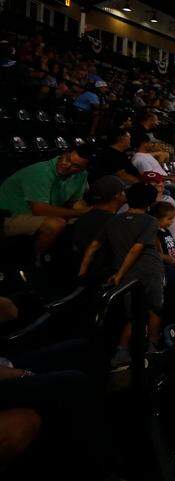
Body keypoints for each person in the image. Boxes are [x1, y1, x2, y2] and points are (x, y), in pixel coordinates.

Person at [78, 183, 166, 368]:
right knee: (154, 308)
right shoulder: (150, 221)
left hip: (125, 274)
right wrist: (120, 274)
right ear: (149, 203)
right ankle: (153, 346)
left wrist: (82, 273)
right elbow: (136, 249)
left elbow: (93, 246)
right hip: (148, 270)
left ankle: (122, 351)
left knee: (132, 314)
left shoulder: (114, 220)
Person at [0, 145, 94, 262]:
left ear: (83, 168)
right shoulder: (40, 172)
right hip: (7, 215)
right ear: (64, 153)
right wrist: (80, 213)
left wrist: (88, 212)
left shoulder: (81, 175)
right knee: (55, 224)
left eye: (75, 166)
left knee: (89, 219)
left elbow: (76, 201)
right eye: (67, 159)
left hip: (35, 212)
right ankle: (37, 260)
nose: (66, 165)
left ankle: (74, 257)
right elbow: (40, 210)